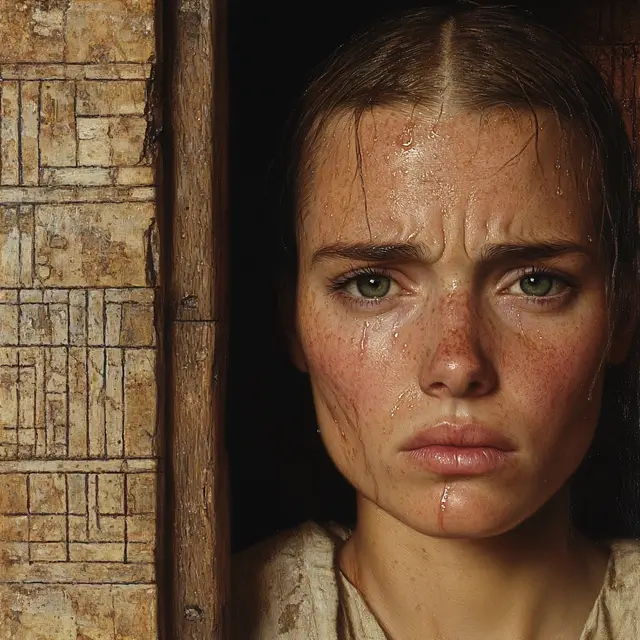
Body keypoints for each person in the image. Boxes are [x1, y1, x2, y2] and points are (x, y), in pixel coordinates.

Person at [231, 3, 640, 638]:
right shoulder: (176, 614)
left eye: (535, 283)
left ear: (621, 314)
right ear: (292, 319)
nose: (456, 364)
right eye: (372, 284)